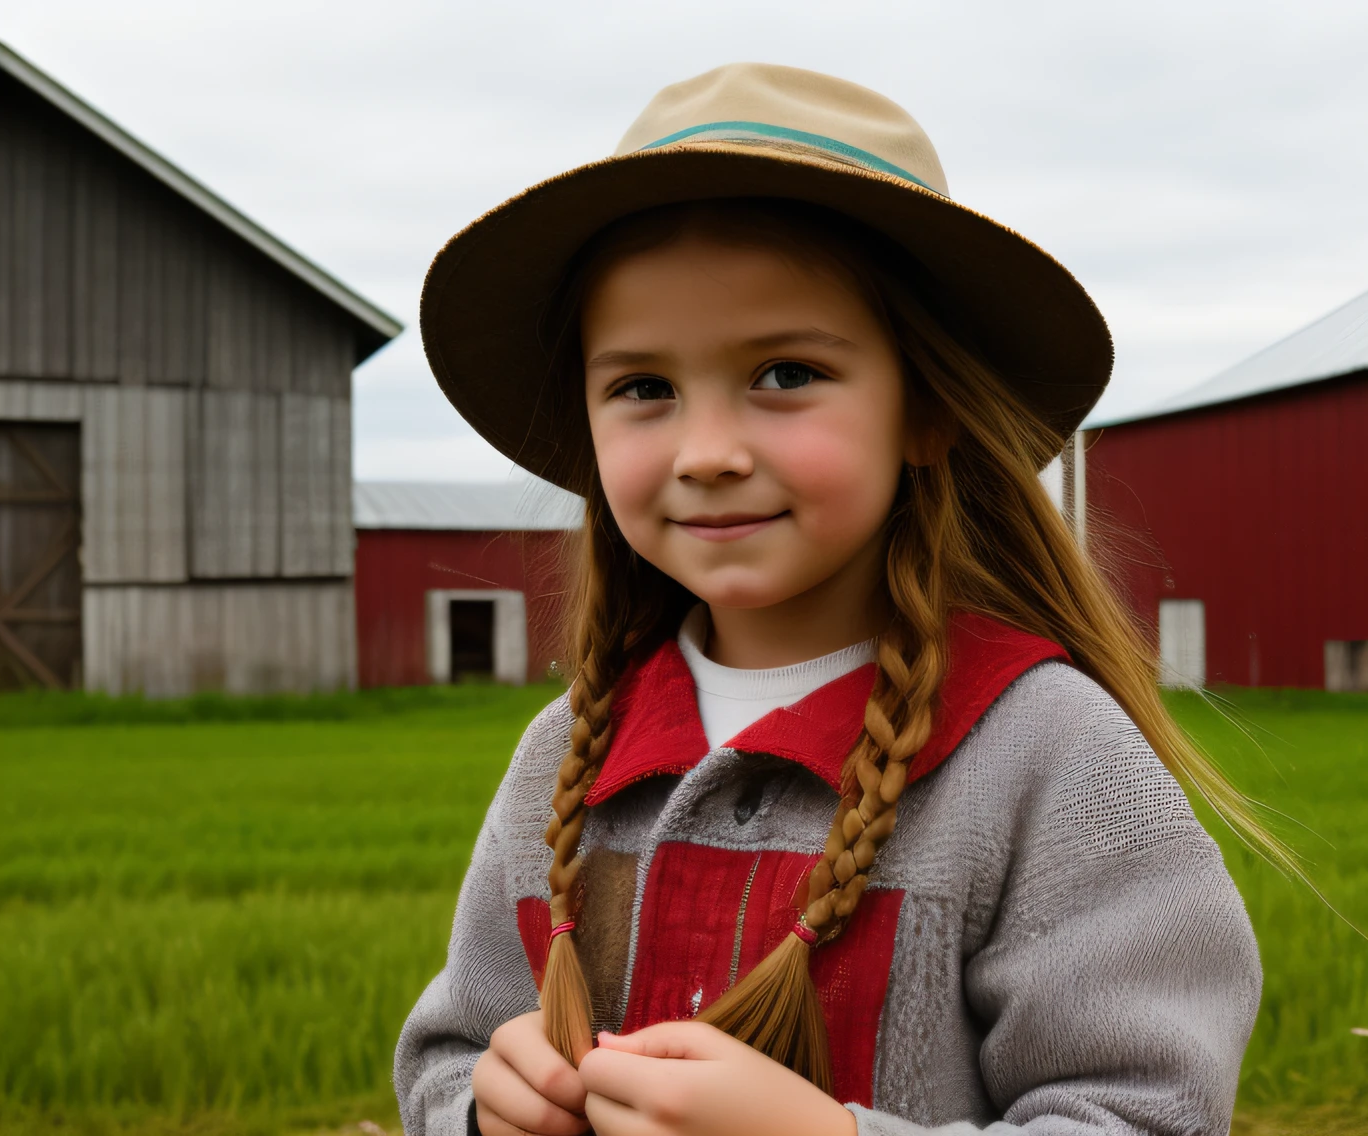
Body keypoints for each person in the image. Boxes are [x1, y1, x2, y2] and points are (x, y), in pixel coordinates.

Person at [394, 62, 1270, 1136]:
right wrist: (483, 1108)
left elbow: (1150, 1114)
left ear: (927, 408)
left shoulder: (1047, 753)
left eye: (784, 373)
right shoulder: (561, 757)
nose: (707, 451)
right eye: (642, 388)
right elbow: (448, 1049)